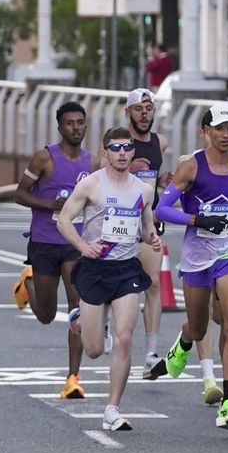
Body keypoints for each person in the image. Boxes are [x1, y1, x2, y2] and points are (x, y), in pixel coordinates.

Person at [56, 126, 162, 431]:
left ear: (133, 152)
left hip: (126, 269)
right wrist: (82, 247)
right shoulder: (91, 185)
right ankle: (80, 319)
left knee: (125, 337)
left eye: (127, 148)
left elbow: (146, 226)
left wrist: (152, 239)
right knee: (93, 350)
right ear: (105, 153)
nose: (122, 154)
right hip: (93, 267)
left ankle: (112, 408)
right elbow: (64, 220)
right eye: (115, 149)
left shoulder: (142, 189)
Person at [155, 103, 228, 429]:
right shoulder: (190, 166)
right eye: (220, 129)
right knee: (198, 327)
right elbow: (161, 210)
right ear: (205, 132)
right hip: (197, 255)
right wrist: (197, 219)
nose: (227, 135)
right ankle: (183, 342)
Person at [11, 101, 94, 399]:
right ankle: (27, 282)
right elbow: (18, 194)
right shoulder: (44, 158)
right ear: (60, 127)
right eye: (70, 123)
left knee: (78, 309)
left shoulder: (92, 163)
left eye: (80, 122)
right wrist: (50, 205)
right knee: (46, 315)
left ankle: (73, 377)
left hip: (75, 243)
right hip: (45, 242)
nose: (76, 128)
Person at [122, 88, 171, 377]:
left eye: (149, 108)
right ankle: (101, 328)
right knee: (113, 284)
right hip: (119, 224)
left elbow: (152, 180)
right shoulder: (119, 143)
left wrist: (163, 182)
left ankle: (151, 353)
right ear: (127, 112)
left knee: (152, 284)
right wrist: (125, 166)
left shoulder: (159, 142)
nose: (144, 113)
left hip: (147, 224)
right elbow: (99, 172)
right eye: (138, 108)